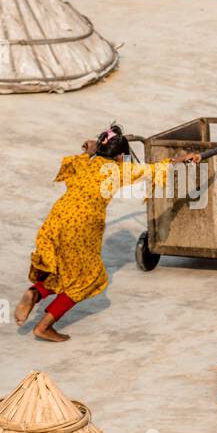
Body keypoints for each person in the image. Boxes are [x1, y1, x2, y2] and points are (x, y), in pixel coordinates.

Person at [15, 123, 201, 342]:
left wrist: (89, 151)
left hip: (57, 218)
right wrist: (183, 158)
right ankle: (44, 326)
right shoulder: (118, 170)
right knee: (90, 278)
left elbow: (80, 158)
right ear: (121, 157)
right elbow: (155, 169)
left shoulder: (86, 163)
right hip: (82, 225)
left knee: (62, 268)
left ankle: (35, 292)